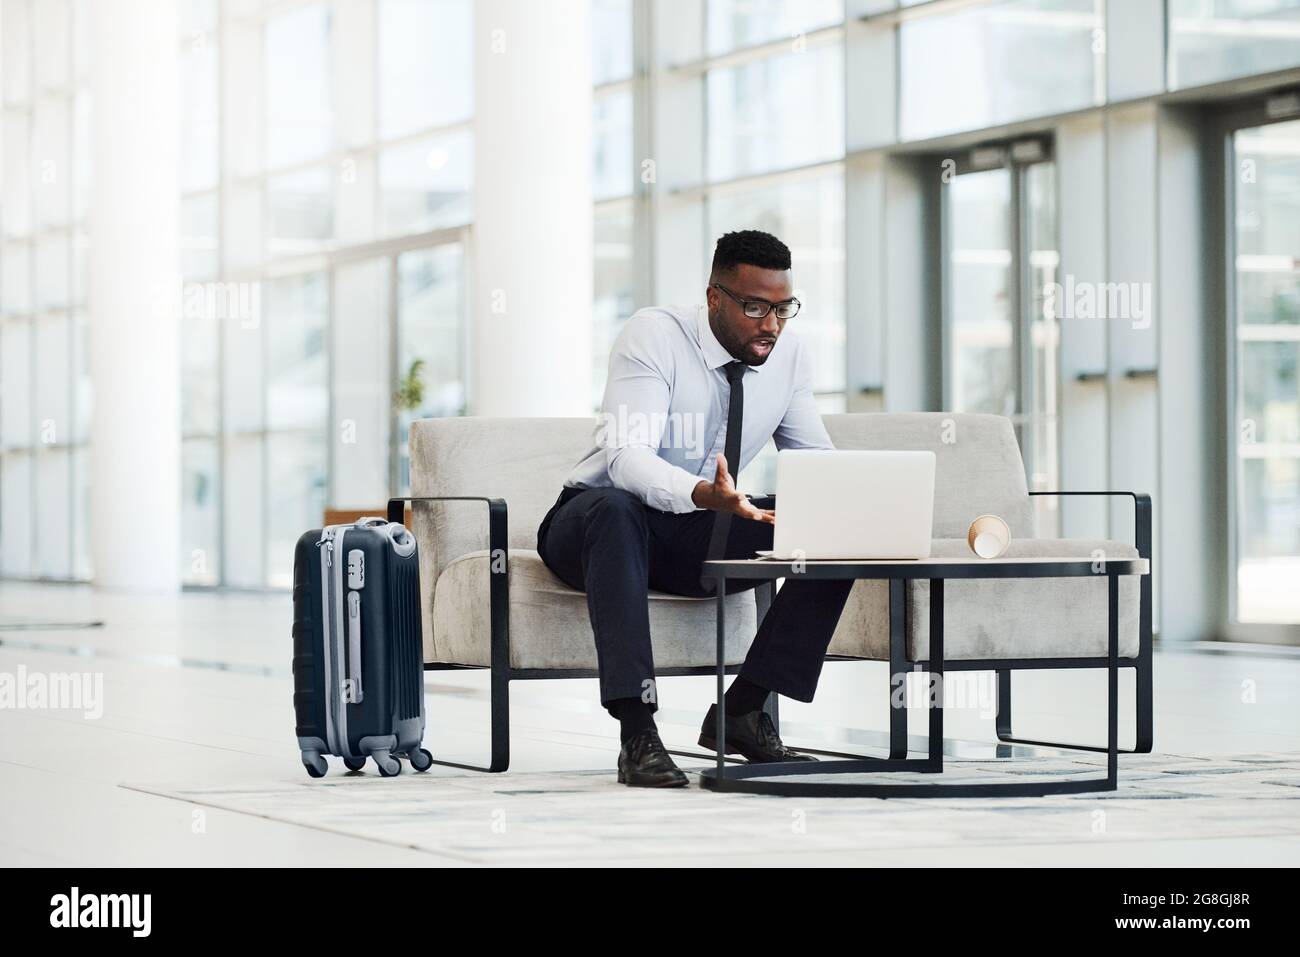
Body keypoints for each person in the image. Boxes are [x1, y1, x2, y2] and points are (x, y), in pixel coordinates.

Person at [536, 230, 853, 787]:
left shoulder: (790, 358)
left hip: (697, 532)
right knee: (615, 510)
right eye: (755, 307)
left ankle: (743, 712)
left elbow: (818, 467)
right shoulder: (654, 335)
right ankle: (638, 734)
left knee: (830, 522)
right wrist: (700, 492)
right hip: (594, 526)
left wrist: (856, 503)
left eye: (783, 309)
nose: (771, 325)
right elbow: (626, 460)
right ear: (714, 297)